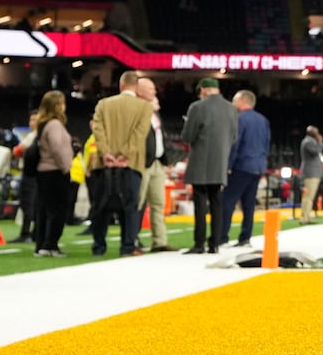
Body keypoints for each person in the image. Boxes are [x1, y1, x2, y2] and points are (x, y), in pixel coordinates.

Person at [89, 69, 154, 258]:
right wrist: (124, 155)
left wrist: (107, 153)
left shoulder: (103, 104)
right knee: (130, 207)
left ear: (121, 84)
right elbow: (139, 134)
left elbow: (97, 130)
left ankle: (98, 247)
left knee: (100, 207)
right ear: (136, 86)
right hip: (131, 165)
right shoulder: (144, 107)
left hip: (104, 164)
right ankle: (127, 246)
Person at [181, 77, 236, 254]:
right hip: (219, 162)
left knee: (200, 203)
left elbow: (188, 136)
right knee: (216, 203)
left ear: (203, 90)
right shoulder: (231, 108)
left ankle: (199, 244)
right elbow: (234, 136)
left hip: (200, 162)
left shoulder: (197, 107)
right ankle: (215, 244)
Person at [221, 90, 270, 247]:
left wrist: (228, 166)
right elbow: (266, 143)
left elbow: (235, 143)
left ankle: (222, 237)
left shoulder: (239, 119)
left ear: (243, 101)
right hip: (257, 166)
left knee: (227, 201)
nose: (233, 104)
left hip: (241, 165)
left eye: (235, 101)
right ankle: (245, 237)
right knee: (249, 204)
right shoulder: (263, 120)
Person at [31, 90, 74, 258]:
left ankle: (41, 244)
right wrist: (66, 166)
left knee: (44, 210)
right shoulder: (55, 124)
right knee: (58, 210)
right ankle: (51, 244)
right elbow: (57, 148)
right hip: (55, 172)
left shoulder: (43, 124)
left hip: (44, 172)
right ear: (57, 105)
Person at [134, 77, 174, 252]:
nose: (154, 91)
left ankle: (159, 241)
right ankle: (132, 239)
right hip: (142, 162)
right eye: (150, 89)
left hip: (157, 162)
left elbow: (160, 136)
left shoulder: (154, 112)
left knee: (158, 203)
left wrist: (167, 159)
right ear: (140, 90)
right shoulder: (135, 109)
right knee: (138, 203)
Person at [299, 126, 323, 223]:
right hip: (310, 173)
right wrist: (320, 142)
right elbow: (316, 152)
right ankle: (304, 218)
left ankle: (307, 217)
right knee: (308, 197)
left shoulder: (309, 141)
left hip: (312, 173)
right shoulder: (308, 142)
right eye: (316, 131)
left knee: (309, 197)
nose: (318, 133)